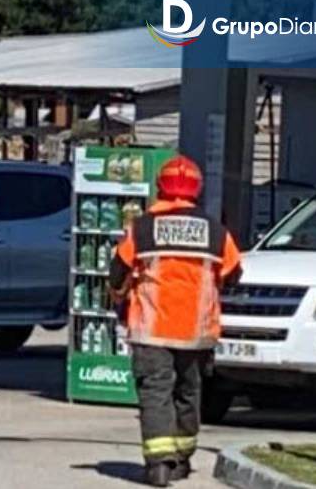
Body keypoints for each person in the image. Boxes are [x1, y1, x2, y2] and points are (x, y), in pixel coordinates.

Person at [109, 155, 242, 487]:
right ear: (196, 189)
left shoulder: (141, 228)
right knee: (188, 392)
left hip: (152, 329)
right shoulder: (215, 230)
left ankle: (158, 464)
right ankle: (182, 458)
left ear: (160, 188)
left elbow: (117, 273)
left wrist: (118, 298)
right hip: (197, 332)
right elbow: (235, 272)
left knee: (155, 393)